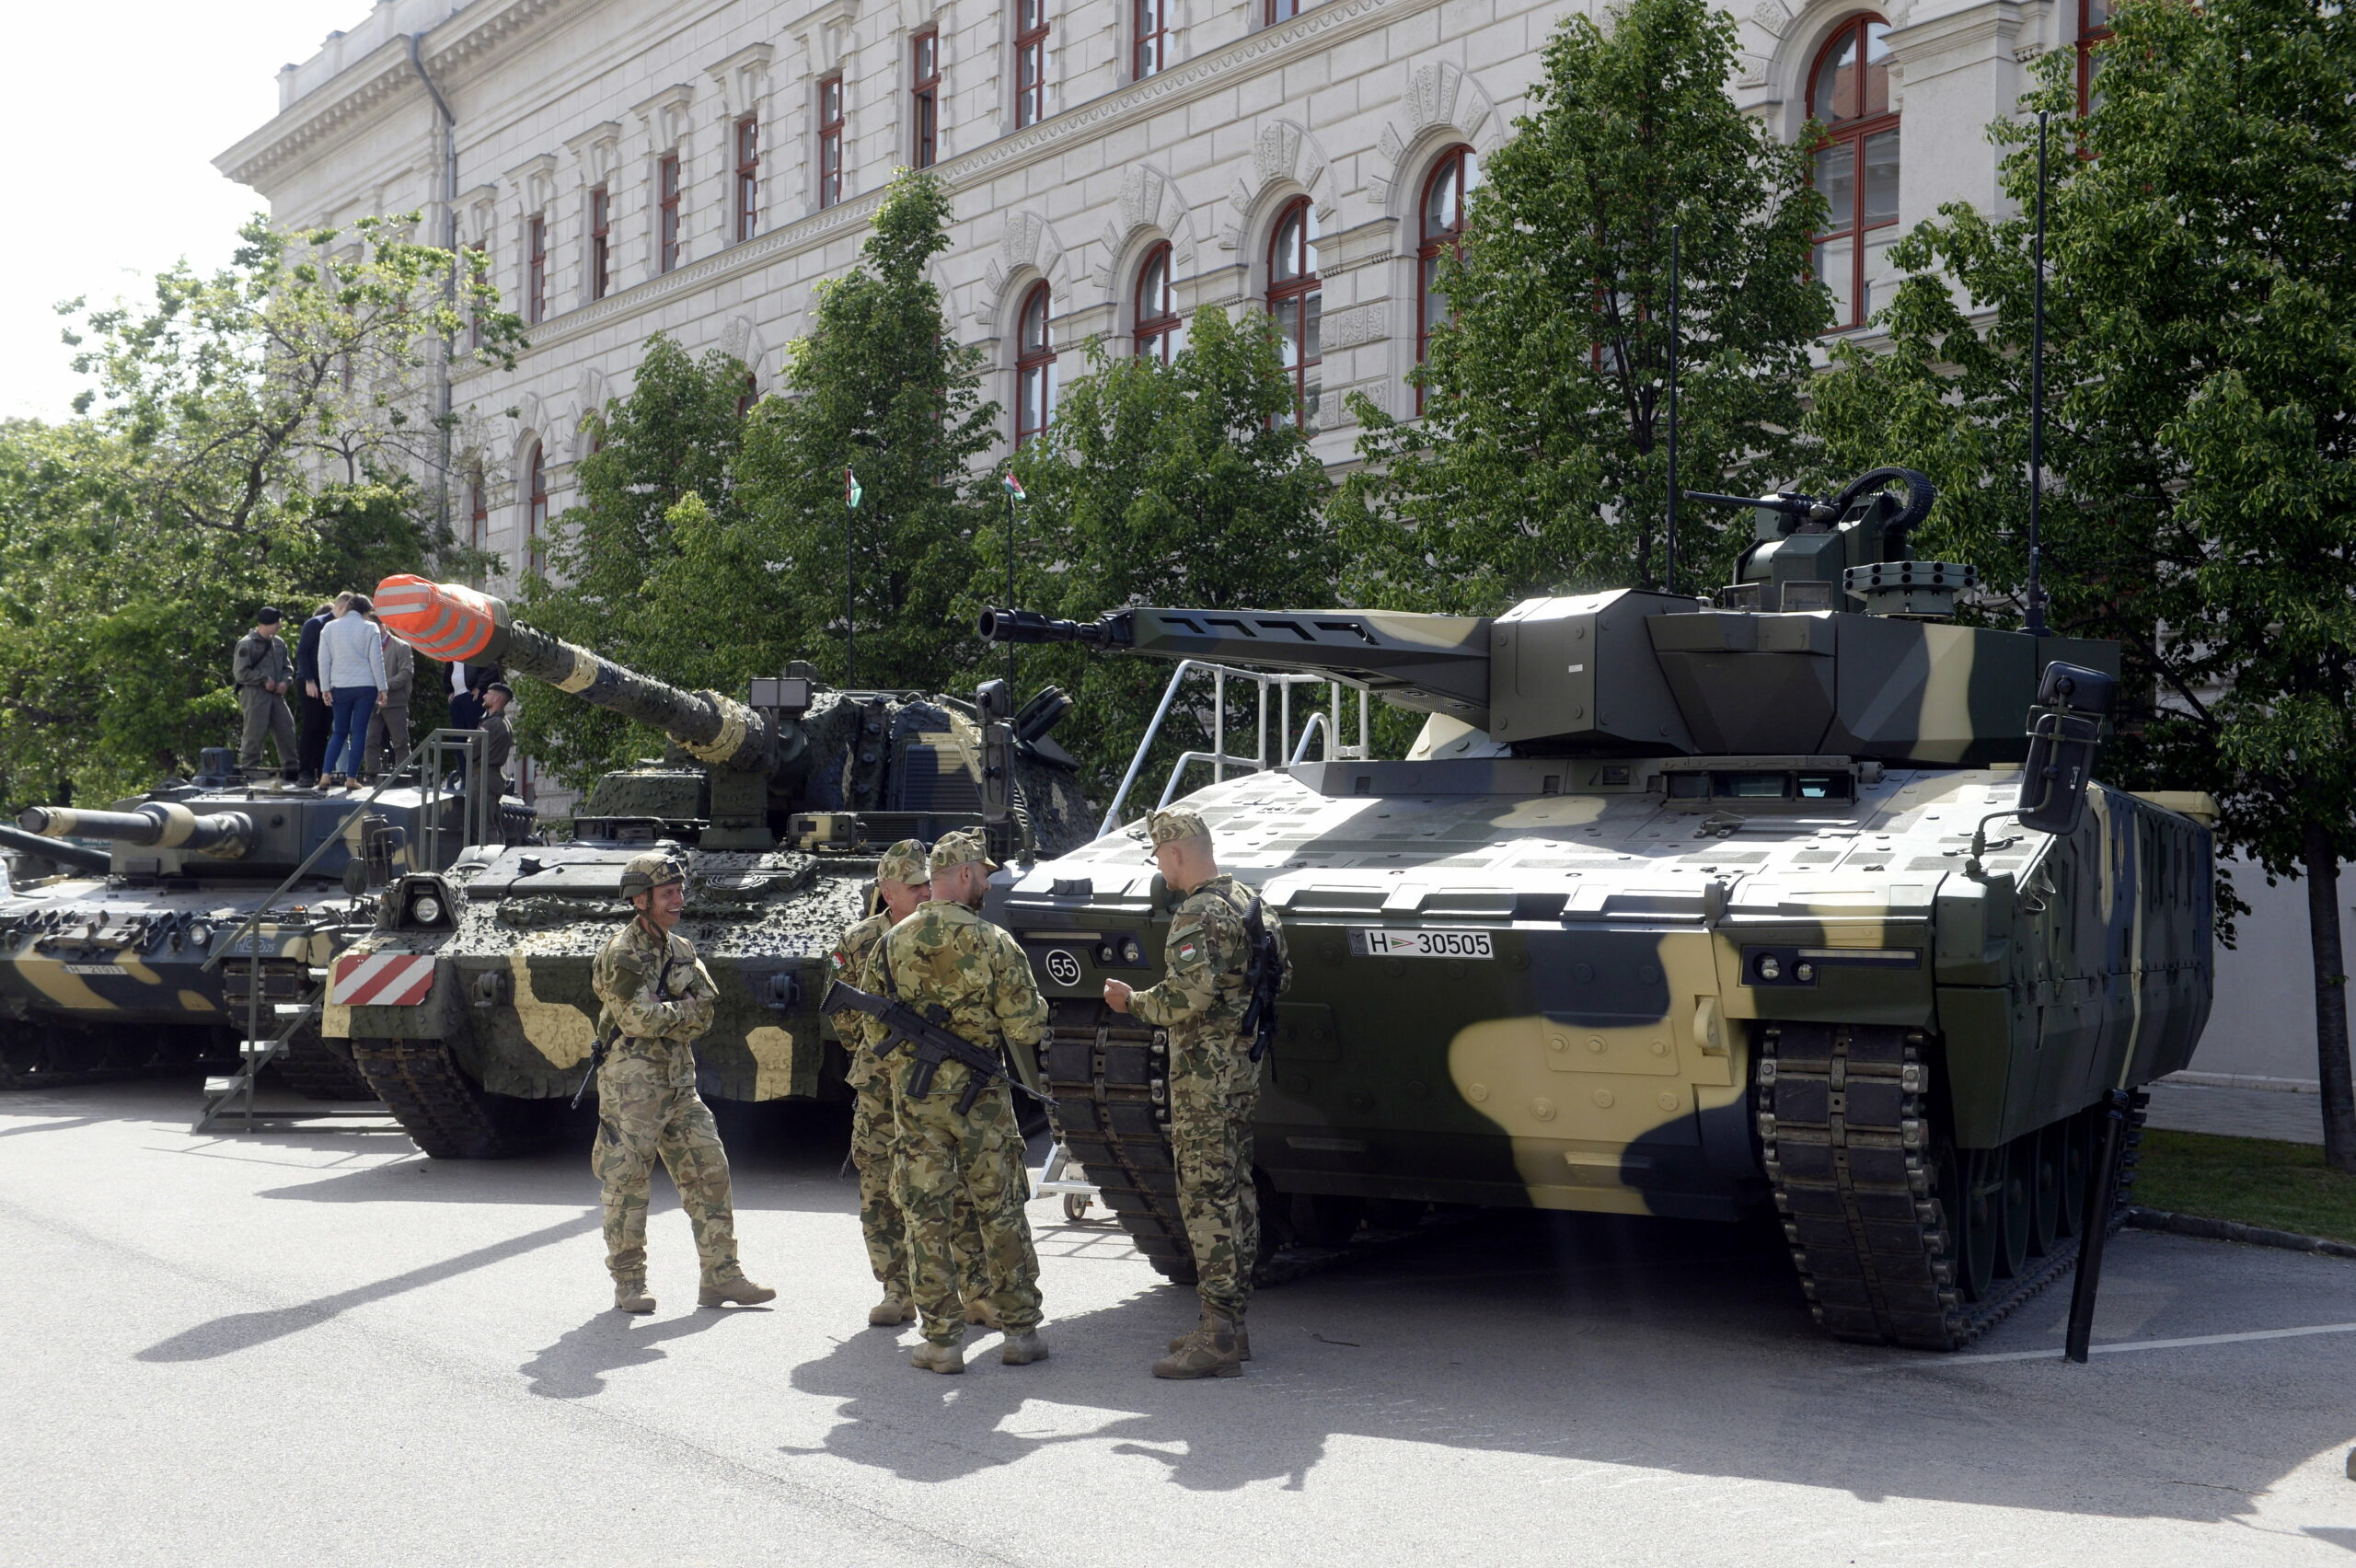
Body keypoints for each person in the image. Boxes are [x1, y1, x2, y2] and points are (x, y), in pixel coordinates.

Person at [855, 828, 1049, 1373]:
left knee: (926, 1216)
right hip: (982, 1101)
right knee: (1001, 1210)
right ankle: (1021, 1333)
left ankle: (941, 1341)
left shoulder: (891, 942)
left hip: (917, 1105)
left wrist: (920, 1064)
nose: (988, 881)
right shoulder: (994, 942)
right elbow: (1027, 1025)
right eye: (984, 873)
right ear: (963, 874)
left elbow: (873, 1036)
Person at [1103, 804, 1288, 1379]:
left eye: (1159, 854)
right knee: (1236, 1189)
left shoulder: (1196, 914)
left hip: (1203, 1082)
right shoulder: (1252, 904)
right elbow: (1281, 978)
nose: (1160, 864)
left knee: (1205, 1197)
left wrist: (1130, 1002)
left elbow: (1185, 998)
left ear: (1176, 852)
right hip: (1239, 1074)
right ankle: (1231, 1322)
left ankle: (1218, 1336)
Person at [589, 851, 776, 1315]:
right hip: (632, 1089)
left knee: (710, 1172)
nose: (678, 900)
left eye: (679, 891)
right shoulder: (622, 954)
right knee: (627, 1184)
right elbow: (634, 1018)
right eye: (667, 893)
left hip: (679, 1085)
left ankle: (721, 1278)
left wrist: (668, 1010)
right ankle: (629, 1284)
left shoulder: (682, 949)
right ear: (640, 900)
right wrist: (680, 1009)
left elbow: (706, 1014)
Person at [830, 839, 992, 1331]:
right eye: (914, 885)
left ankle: (977, 1292)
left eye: (928, 883)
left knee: (959, 1186)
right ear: (886, 891)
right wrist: (888, 1048)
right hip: (881, 1086)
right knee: (881, 1187)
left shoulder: (951, 930)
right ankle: (896, 1290)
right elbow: (843, 1017)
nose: (925, 892)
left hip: (942, 1083)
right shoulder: (858, 942)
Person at [316, 593, 386, 790]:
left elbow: (323, 660)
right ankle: (351, 779)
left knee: (338, 733)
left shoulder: (329, 628)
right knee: (359, 732)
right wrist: (382, 688)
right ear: (365, 612)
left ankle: (325, 776)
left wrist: (325, 688)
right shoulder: (370, 627)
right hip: (366, 686)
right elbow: (376, 660)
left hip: (340, 685)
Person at [230, 607, 299, 785]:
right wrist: (262, 679)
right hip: (255, 694)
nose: (279, 625)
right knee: (254, 732)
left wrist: (285, 681)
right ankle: (249, 770)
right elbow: (240, 673)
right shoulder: (246, 644)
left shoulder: (279, 643)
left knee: (286, 729)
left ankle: (291, 769)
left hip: (276, 695)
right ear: (266, 623)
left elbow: (287, 668)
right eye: (276, 622)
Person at [364, 612, 414, 780]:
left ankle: (403, 775)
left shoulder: (402, 647)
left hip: (395, 702)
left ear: (382, 625)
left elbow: (406, 673)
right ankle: (372, 774)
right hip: (372, 702)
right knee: (370, 740)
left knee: (400, 741)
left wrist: (383, 686)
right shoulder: (366, 647)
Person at [294, 600, 336, 786]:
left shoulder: (337, 627)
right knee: (311, 726)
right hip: (311, 681)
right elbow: (302, 653)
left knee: (324, 728)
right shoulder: (315, 624)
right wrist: (309, 680)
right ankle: (305, 771)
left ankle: (321, 770)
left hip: (329, 683)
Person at [479, 682, 514, 790]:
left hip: (484, 777)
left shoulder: (493, 723)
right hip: (490, 776)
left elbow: (471, 750)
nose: (484, 696)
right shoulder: (502, 722)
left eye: (488, 694)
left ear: (496, 699)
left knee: (481, 807)